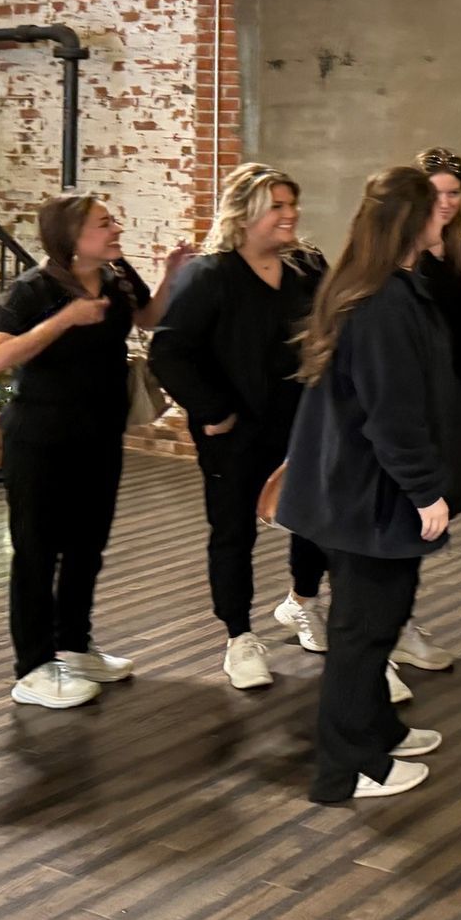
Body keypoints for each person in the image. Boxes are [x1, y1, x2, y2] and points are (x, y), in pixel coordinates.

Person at [279, 166, 461, 802]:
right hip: (369, 496)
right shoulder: (383, 302)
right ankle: (345, 768)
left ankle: (377, 730)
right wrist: (425, 490)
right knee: (361, 633)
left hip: (364, 492)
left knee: (378, 620)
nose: (445, 211)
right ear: (412, 221)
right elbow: (390, 412)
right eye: (434, 204)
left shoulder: (384, 287)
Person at [149, 163, 380, 694]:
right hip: (235, 434)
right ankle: (239, 636)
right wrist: (214, 412)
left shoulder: (307, 266)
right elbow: (169, 353)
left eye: (291, 204)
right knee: (234, 532)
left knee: (314, 522)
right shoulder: (209, 275)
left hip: (303, 425)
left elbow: (334, 328)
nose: (290, 215)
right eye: (277, 206)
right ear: (244, 214)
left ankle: (302, 602)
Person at [0, 195, 191, 708]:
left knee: (87, 546)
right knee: (36, 552)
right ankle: (32, 667)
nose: (116, 228)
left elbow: (147, 317)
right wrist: (64, 319)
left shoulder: (117, 276)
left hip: (99, 434)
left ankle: (74, 646)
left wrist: (170, 276)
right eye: (104, 223)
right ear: (72, 237)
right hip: (39, 439)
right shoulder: (34, 289)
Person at [367, 145, 461, 676]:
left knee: (424, 521)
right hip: (409, 403)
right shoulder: (397, 264)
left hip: (444, 396)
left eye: (454, 193)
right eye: (436, 193)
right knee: (400, 516)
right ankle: (372, 629)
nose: (446, 202)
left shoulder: (452, 249)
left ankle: (399, 622)